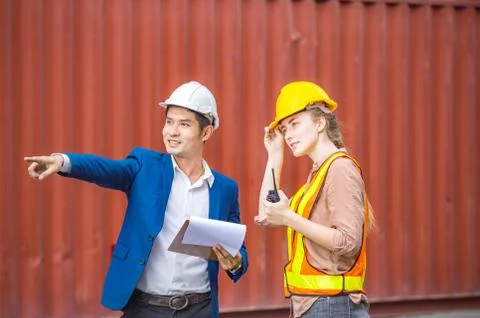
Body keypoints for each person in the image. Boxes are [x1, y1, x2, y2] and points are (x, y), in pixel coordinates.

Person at [24, 81, 248, 318]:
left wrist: (235, 263)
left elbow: (237, 249)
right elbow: (106, 169)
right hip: (145, 308)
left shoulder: (225, 189)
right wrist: (63, 162)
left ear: (206, 132)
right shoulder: (145, 166)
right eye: (169, 121)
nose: (172, 131)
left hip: (199, 309)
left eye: (184, 124)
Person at [255, 81, 374, 317]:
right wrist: (275, 155)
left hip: (333, 306)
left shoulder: (340, 168)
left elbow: (348, 242)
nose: (288, 134)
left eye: (295, 124)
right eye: (285, 128)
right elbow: (266, 214)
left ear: (320, 123)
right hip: (314, 305)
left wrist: (289, 217)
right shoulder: (319, 173)